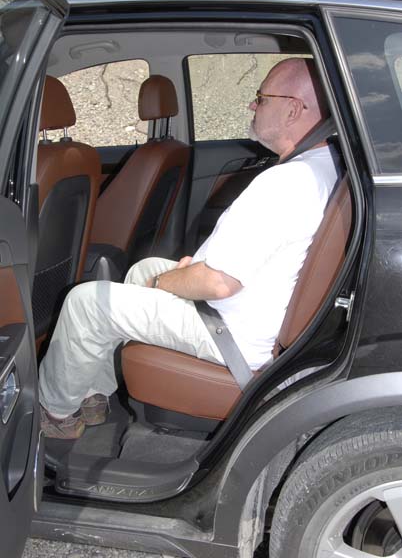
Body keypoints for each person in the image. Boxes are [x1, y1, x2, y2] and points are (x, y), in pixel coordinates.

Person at [39, 57, 341, 439]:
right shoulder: (323, 165)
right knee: (142, 269)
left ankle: (55, 414)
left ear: (293, 109)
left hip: (230, 333)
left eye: (262, 98)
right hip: (248, 313)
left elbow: (219, 283)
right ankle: (92, 393)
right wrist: (184, 271)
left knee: (84, 303)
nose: (252, 104)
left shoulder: (287, 182)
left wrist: (167, 283)